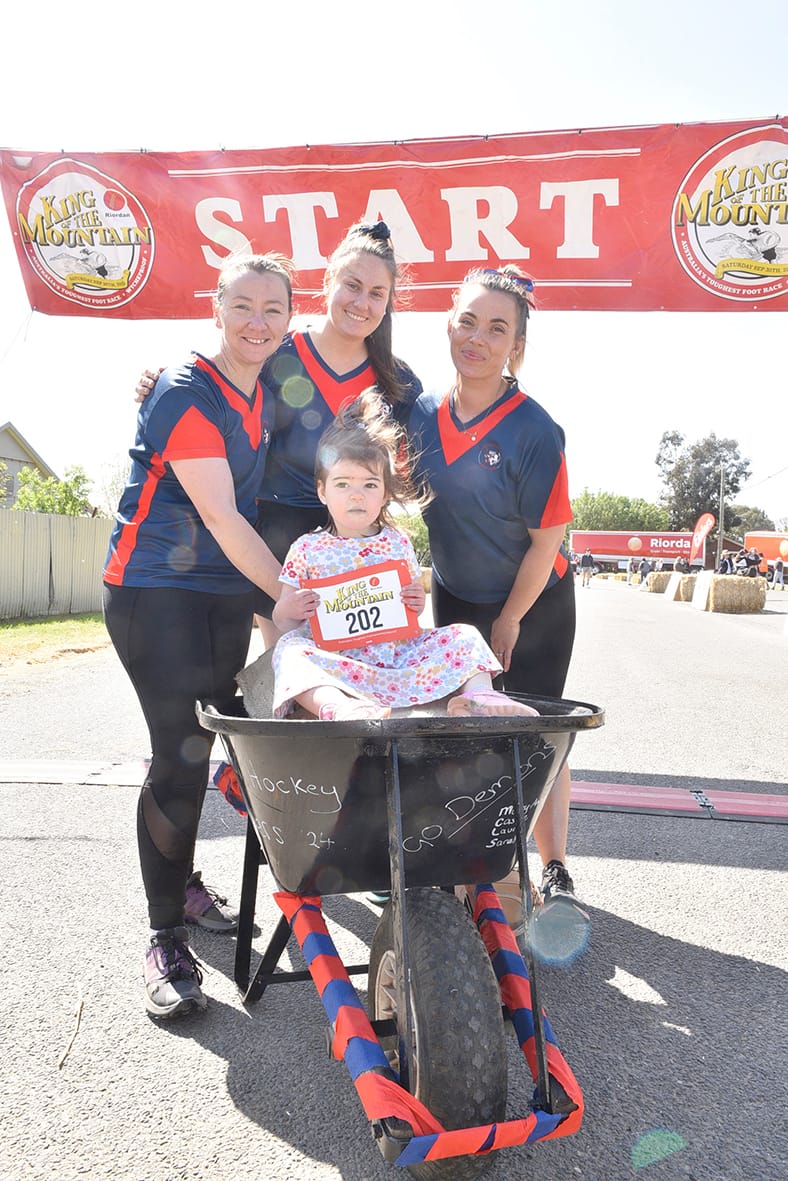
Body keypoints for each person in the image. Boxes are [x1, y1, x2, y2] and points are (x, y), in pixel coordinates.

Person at [103, 253, 294, 1020]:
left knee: (207, 743)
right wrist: (290, 596)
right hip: (155, 591)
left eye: (273, 309)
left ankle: (177, 878)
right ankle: (163, 937)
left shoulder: (264, 389)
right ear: (215, 308)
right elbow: (221, 516)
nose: (257, 322)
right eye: (242, 306)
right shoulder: (186, 390)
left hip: (217, 593)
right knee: (178, 759)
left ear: (289, 318)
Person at [136, 220, 423, 648]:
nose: (362, 302)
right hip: (278, 545)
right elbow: (219, 384)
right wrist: (160, 378)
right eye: (352, 285)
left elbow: (416, 471)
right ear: (328, 282)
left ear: (388, 302)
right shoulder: (277, 351)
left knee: (361, 677)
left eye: (377, 293)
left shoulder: (398, 382)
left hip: (356, 549)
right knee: (290, 674)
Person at [407, 265, 580, 915]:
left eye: (497, 327)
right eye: (467, 321)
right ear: (448, 325)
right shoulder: (420, 414)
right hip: (457, 599)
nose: (478, 337)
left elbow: (547, 541)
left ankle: (554, 864)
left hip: (533, 602)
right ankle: (476, 863)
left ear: (517, 346)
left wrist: (509, 620)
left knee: (539, 734)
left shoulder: (535, 430)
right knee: (467, 731)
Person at [269, 391, 539, 721]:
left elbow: (410, 611)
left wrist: (415, 601)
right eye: (342, 485)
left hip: (397, 660)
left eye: (369, 485)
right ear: (322, 491)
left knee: (465, 634)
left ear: (384, 493)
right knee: (291, 650)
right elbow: (282, 621)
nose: (356, 495)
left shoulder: (396, 542)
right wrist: (292, 608)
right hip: (338, 666)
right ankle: (337, 708)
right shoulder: (307, 548)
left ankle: (478, 695)